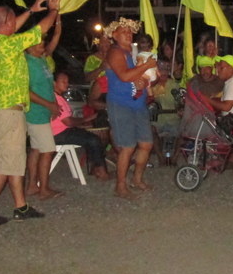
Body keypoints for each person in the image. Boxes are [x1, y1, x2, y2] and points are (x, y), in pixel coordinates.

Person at [0, 0, 60, 227]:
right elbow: (41, 29)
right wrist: (52, 10)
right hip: (8, 114)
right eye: (14, 20)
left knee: (13, 162)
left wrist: (31, 10)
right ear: (9, 21)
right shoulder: (9, 45)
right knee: (4, 165)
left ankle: (20, 207)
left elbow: (12, 26)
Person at [103, 17, 159, 199]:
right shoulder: (115, 52)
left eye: (129, 31)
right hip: (121, 104)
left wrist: (144, 80)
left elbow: (135, 77)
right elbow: (125, 76)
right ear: (114, 35)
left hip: (138, 103)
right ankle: (120, 186)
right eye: (123, 31)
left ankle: (136, 179)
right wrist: (146, 66)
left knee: (146, 144)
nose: (128, 34)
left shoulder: (133, 53)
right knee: (127, 146)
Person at [24, 31, 66, 199]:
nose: (43, 44)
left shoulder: (40, 60)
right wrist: (49, 104)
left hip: (43, 111)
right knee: (48, 150)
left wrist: (58, 26)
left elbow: (51, 47)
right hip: (36, 111)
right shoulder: (27, 64)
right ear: (29, 46)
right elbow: (25, 91)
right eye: (39, 42)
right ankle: (44, 189)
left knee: (36, 149)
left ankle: (32, 186)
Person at [51, 71, 111, 181]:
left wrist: (82, 123)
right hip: (59, 134)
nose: (66, 84)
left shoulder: (57, 97)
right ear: (54, 83)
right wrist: (86, 119)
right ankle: (101, 171)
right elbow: (68, 122)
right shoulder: (55, 98)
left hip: (61, 131)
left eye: (67, 82)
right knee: (93, 140)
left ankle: (96, 168)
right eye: (63, 81)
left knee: (90, 137)